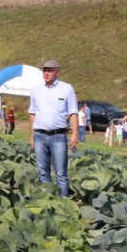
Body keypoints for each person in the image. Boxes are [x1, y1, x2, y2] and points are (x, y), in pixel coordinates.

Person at [28, 59, 78, 197]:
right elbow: (32, 114)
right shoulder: (36, 90)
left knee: (61, 173)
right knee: (43, 172)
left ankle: (63, 204)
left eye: (49, 70)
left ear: (57, 71)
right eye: (44, 70)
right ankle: (48, 200)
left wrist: (75, 134)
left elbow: (73, 112)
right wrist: (31, 137)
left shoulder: (67, 89)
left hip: (58, 136)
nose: (46, 73)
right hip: (39, 136)